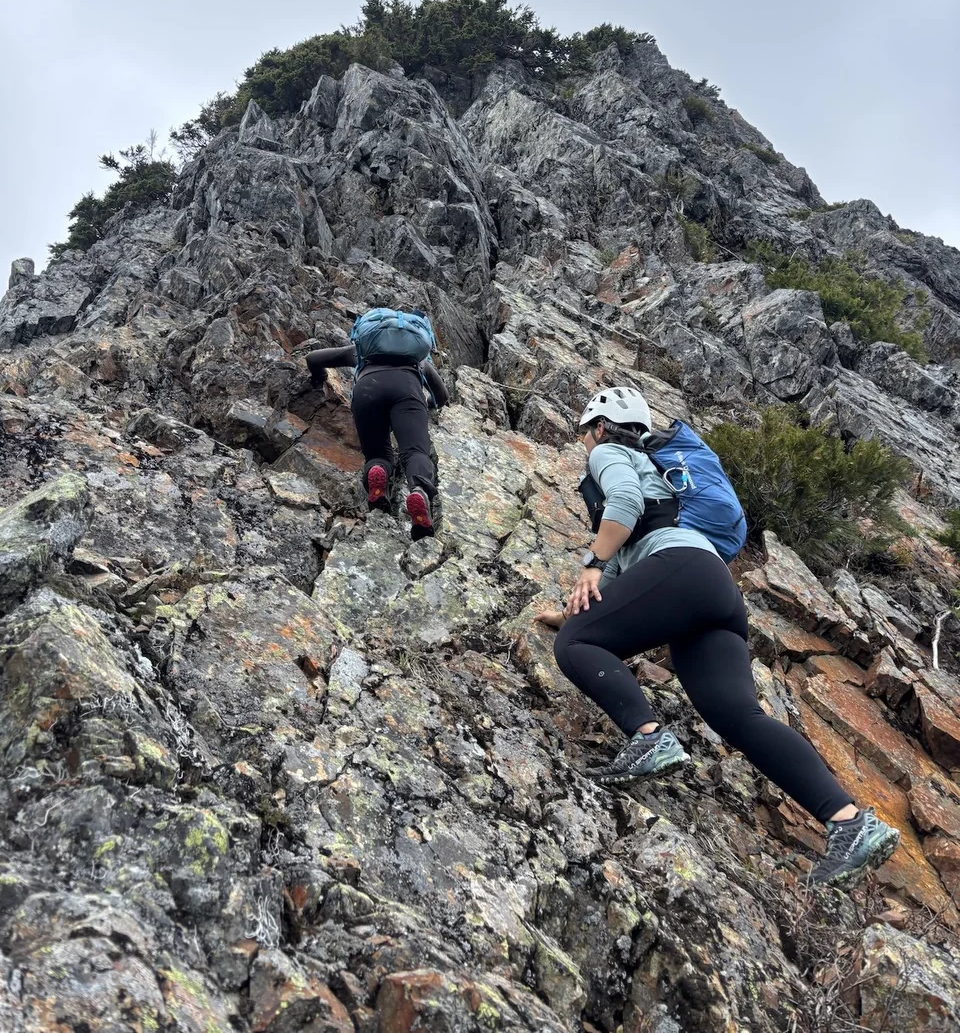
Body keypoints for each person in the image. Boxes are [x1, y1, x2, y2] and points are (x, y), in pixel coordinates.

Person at [538, 385, 900, 889]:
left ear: (597, 426)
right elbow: (636, 580)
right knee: (739, 716)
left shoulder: (608, 452)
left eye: (584, 433)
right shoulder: (659, 471)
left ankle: (648, 739)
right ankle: (849, 823)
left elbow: (623, 501)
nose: (584, 443)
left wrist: (592, 565)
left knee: (575, 646)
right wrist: (574, 611)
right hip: (711, 587)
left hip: (680, 569)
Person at [306, 308, 448, 538]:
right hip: (407, 388)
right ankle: (419, 492)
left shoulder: (361, 351)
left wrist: (319, 377)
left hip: (367, 390)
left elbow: (313, 358)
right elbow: (442, 397)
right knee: (414, 451)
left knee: (377, 454)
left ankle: (378, 472)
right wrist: (427, 404)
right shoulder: (419, 360)